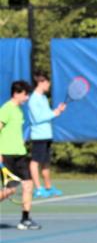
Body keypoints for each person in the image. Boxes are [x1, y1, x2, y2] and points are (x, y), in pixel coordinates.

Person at [0, 81, 41, 230]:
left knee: (28, 185)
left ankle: (25, 219)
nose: (27, 98)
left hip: (20, 155)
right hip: (7, 155)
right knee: (10, 190)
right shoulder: (6, 109)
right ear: (16, 93)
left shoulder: (19, 111)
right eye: (25, 94)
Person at [27, 72, 67, 198]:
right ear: (41, 82)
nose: (49, 85)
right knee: (35, 162)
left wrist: (57, 110)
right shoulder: (34, 99)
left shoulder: (43, 98)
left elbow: (47, 114)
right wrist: (54, 113)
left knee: (45, 162)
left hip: (46, 135)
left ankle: (48, 187)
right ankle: (38, 189)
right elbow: (37, 118)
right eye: (47, 83)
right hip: (38, 136)